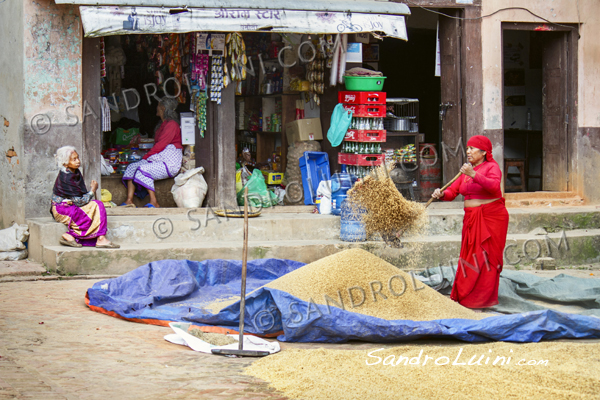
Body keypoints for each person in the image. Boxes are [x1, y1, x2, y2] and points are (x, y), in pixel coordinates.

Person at [431, 135, 509, 309]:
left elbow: (494, 187)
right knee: (470, 257)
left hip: (491, 217)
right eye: (467, 148)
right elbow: (453, 191)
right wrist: (442, 194)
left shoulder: (492, 167)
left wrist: (474, 174)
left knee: (486, 257)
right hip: (472, 218)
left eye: (472, 148)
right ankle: (467, 297)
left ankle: (483, 299)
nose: (468, 152)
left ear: (484, 152)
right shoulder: (466, 171)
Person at [51, 146, 119, 248]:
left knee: (97, 205)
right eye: (74, 159)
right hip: (62, 209)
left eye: (78, 158)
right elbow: (79, 202)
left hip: (72, 205)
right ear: (65, 163)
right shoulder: (66, 177)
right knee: (91, 211)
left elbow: (80, 197)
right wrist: (92, 190)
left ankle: (99, 238)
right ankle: (71, 235)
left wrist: (91, 192)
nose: (78, 161)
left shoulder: (75, 172)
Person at [121, 97, 183, 208]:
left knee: (143, 169)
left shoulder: (172, 125)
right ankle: (129, 200)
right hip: (160, 159)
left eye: (158, 106)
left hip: (169, 162)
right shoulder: (162, 125)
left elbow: (161, 145)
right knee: (132, 167)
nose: (157, 108)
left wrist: (146, 156)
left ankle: (154, 201)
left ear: (163, 108)